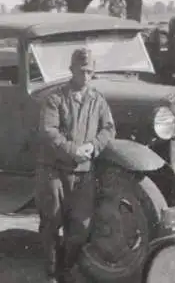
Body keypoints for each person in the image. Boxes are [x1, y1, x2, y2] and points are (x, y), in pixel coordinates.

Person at [35, 48, 116, 283]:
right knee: (51, 222)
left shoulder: (97, 99)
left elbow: (109, 128)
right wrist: (73, 150)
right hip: (54, 171)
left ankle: (67, 270)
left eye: (90, 71)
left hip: (83, 173)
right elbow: (48, 131)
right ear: (71, 70)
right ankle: (51, 274)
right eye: (82, 70)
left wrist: (93, 146)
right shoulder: (55, 98)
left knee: (81, 226)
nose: (86, 75)